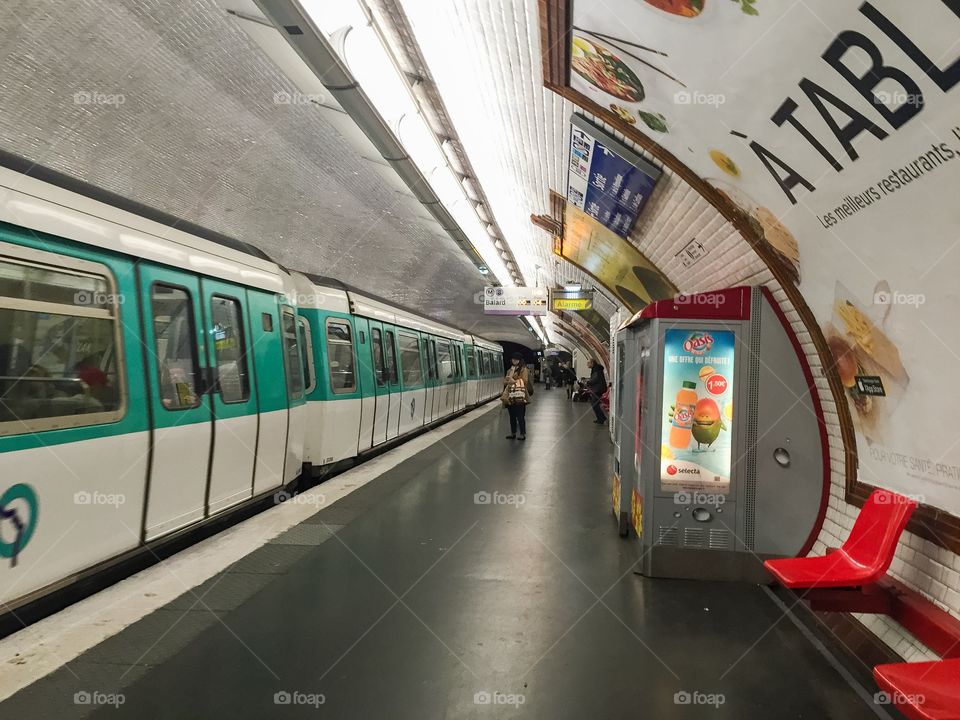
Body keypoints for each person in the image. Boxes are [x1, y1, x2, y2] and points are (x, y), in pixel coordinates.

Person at [502, 352, 532, 440]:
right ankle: (513, 432)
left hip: (520, 396)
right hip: (510, 395)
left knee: (520, 416)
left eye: (516, 359)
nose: (513, 360)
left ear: (519, 360)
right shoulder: (509, 370)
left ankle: (522, 433)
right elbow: (505, 381)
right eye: (513, 359)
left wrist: (513, 381)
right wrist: (507, 381)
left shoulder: (523, 369)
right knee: (512, 416)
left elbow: (525, 381)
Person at [586, 358, 607, 424]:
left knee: (594, 404)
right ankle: (601, 418)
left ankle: (602, 418)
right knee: (595, 404)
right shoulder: (597, 369)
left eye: (588, 363)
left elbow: (595, 379)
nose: (587, 364)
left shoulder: (596, 370)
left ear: (592, 363)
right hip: (598, 389)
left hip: (598, 389)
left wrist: (588, 382)